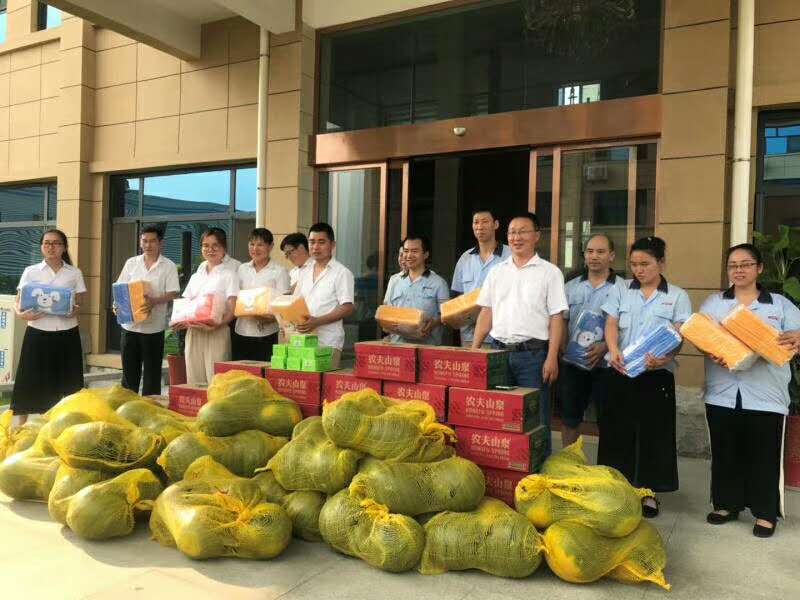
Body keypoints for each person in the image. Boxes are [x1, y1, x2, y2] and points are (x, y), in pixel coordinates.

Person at [701, 243, 800, 538]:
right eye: (733, 265)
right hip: (722, 392)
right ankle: (726, 505)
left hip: (766, 394)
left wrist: (796, 337)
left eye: (745, 264)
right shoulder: (714, 303)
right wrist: (712, 350)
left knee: (764, 455)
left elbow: (796, 336)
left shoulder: (779, 305)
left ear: (759, 268)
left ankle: (765, 512)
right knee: (725, 451)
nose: (739, 270)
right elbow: (702, 336)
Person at [601, 236, 691, 518]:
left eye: (645, 264)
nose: (639, 270)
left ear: (661, 263)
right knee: (617, 433)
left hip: (656, 376)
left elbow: (679, 334)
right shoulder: (621, 290)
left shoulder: (677, 296)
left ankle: (648, 493)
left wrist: (666, 357)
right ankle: (618, 492)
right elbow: (611, 323)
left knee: (654, 435)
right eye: (634, 264)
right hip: (621, 371)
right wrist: (613, 348)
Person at [472, 212, 568, 454]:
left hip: (533, 358)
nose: (516, 237)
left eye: (523, 232)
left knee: (536, 421)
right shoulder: (497, 271)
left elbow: (556, 317)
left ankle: (539, 470)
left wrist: (552, 357)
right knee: (499, 418)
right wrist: (474, 350)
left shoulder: (550, 272)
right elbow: (486, 312)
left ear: (536, 236)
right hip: (498, 354)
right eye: (512, 232)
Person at [11, 229, 86, 426]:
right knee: (29, 379)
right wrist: (21, 314)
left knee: (68, 380)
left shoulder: (74, 273)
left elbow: (81, 301)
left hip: (67, 333)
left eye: (56, 243)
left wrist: (75, 310)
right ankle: (19, 428)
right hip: (37, 332)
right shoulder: (31, 271)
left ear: (64, 247)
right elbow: (18, 302)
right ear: (41, 247)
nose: (50, 247)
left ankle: (66, 426)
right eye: (46, 243)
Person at [560, 233, 627, 447]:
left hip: (607, 365)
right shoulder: (570, 286)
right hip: (573, 365)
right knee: (570, 417)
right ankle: (568, 460)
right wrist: (564, 351)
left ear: (612, 256)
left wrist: (606, 346)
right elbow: (562, 322)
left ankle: (607, 462)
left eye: (600, 252)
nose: (594, 256)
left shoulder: (624, 288)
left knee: (608, 419)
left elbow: (626, 326)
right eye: (589, 251)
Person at [115, 225, 180, 396]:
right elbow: (120, 288)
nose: (148, 245)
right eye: (144, 241)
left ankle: (150, 405)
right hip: (130, 327)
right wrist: (117, 305)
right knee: (129, 374)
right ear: (140, 242)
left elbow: (173, 292)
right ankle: (127, 405)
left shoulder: (168, 266)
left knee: (152, 374)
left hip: (153, 328)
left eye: (152, 241)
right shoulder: (131, 263)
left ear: (161, 243)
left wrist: (154, 301)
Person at [174, 228, 239, 385]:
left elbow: (232, 310)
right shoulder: (196, 276)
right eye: (206, 245)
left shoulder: (229, 275)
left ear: (224, 248)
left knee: (216, 380)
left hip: (217, 331)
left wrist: (218, 324)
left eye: (215, 245)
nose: (210, 250)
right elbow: (186, 304)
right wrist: (179, 321)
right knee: (194, 379)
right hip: (194, 331)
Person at [293, 222, 355, 368]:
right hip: (303, 340)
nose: (315, 247)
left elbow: (347, 307)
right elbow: (296, 302)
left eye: (321, 242)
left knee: (324, 381)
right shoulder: (304, 271)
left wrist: (317, 321)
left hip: (328, 342)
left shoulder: (342, 273)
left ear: (332, 245)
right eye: (312, 242)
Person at [451, 208, 510, 347]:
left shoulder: (510, 256)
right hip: (469, 336)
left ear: (496, 224)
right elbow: (458, 297)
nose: (480, 226)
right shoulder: (465, 258)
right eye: (476, 222)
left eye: (485, 221)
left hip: (500, 336)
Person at [234, 228, 290, 361]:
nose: (255, 249)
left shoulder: (279, 271)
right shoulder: (241, 269)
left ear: (270, 246)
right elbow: (235, 296)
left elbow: (284, 304)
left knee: (264, 371)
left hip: (267, 333)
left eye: (260, 245)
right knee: (242, 371)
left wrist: (270, 318)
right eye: (252, 244)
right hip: (242, 331)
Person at [382, 235, 450, 345]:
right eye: (406, 251)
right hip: (397, 346)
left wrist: (434, 323)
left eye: (414, 251)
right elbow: (386, 312)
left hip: (427, 347)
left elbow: (448, 315)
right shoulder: (394, 281)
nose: (409, 255)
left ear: (426, 254)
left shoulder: (439, 283)